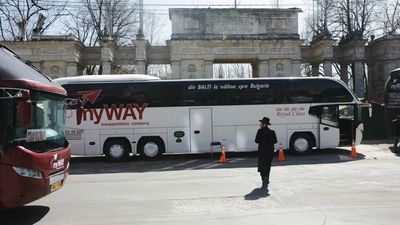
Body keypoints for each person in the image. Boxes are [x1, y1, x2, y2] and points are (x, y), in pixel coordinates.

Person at [255, 117, 277, 189]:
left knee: (261, 166)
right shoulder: (272, 132)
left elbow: (256, 141)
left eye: (261, 123)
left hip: (262, 152)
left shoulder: (259, 131)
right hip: (270, 153)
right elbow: (275, 141)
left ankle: (264, 178)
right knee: (268, 166)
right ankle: (266, 178)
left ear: (264, 124)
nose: (260, 124)